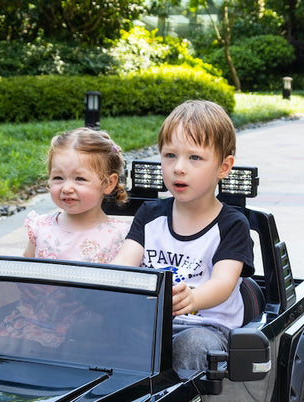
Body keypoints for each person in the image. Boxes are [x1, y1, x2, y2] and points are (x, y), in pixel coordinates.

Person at [113, 100, 254, 373]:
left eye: (195, 158)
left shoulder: (232, 224)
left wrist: (194, 298)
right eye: (170, 156)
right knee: (104, 332)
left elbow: (224, 282)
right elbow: (123, 264)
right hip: (151, 321)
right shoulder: (150, 215)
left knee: (191, 345)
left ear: (224, 167)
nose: (179, 168)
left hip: (208, 327)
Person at [23, 128, 129, 263]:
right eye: (58, 177)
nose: (66, 188)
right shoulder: (40, 227)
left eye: (80, 179)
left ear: (108, 183)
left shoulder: (119, 236)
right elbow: (24, 272)